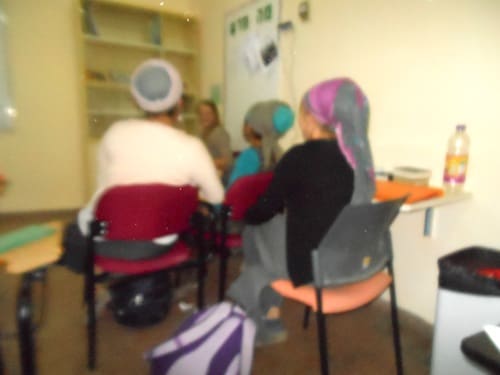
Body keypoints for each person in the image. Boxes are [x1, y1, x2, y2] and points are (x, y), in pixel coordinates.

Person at [227, 78, 375, 345]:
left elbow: (266, 208)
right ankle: (264, 303)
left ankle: (267, 314)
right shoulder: (360, 160)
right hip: (355, 267)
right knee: (274, 233)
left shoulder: (298, 156)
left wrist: (245, 216)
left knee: (255, 231)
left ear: (311, 119)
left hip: (313, 270)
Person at [60, 59, 224, 273]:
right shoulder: (193, 146)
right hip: (160, 242)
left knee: (72, 230)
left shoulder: (114, 133)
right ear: (180, 103)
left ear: (135, 102)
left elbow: (105, 191)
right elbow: (217, 197)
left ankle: (102, 286)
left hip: (106, 239)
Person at [227, 100, 294, 187]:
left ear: (250, 127)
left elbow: (231, 192)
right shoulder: (279, 155)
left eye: (246, 122)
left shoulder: (249, 156)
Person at [197, 100, 233, 181]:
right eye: (201, 114)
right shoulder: (201, 133)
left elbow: (228, 161)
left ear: (215, 115)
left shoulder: (219, 133)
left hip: (220, 179)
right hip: (208, 175)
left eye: (208, 113)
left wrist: (203, 163)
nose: (204, 117)